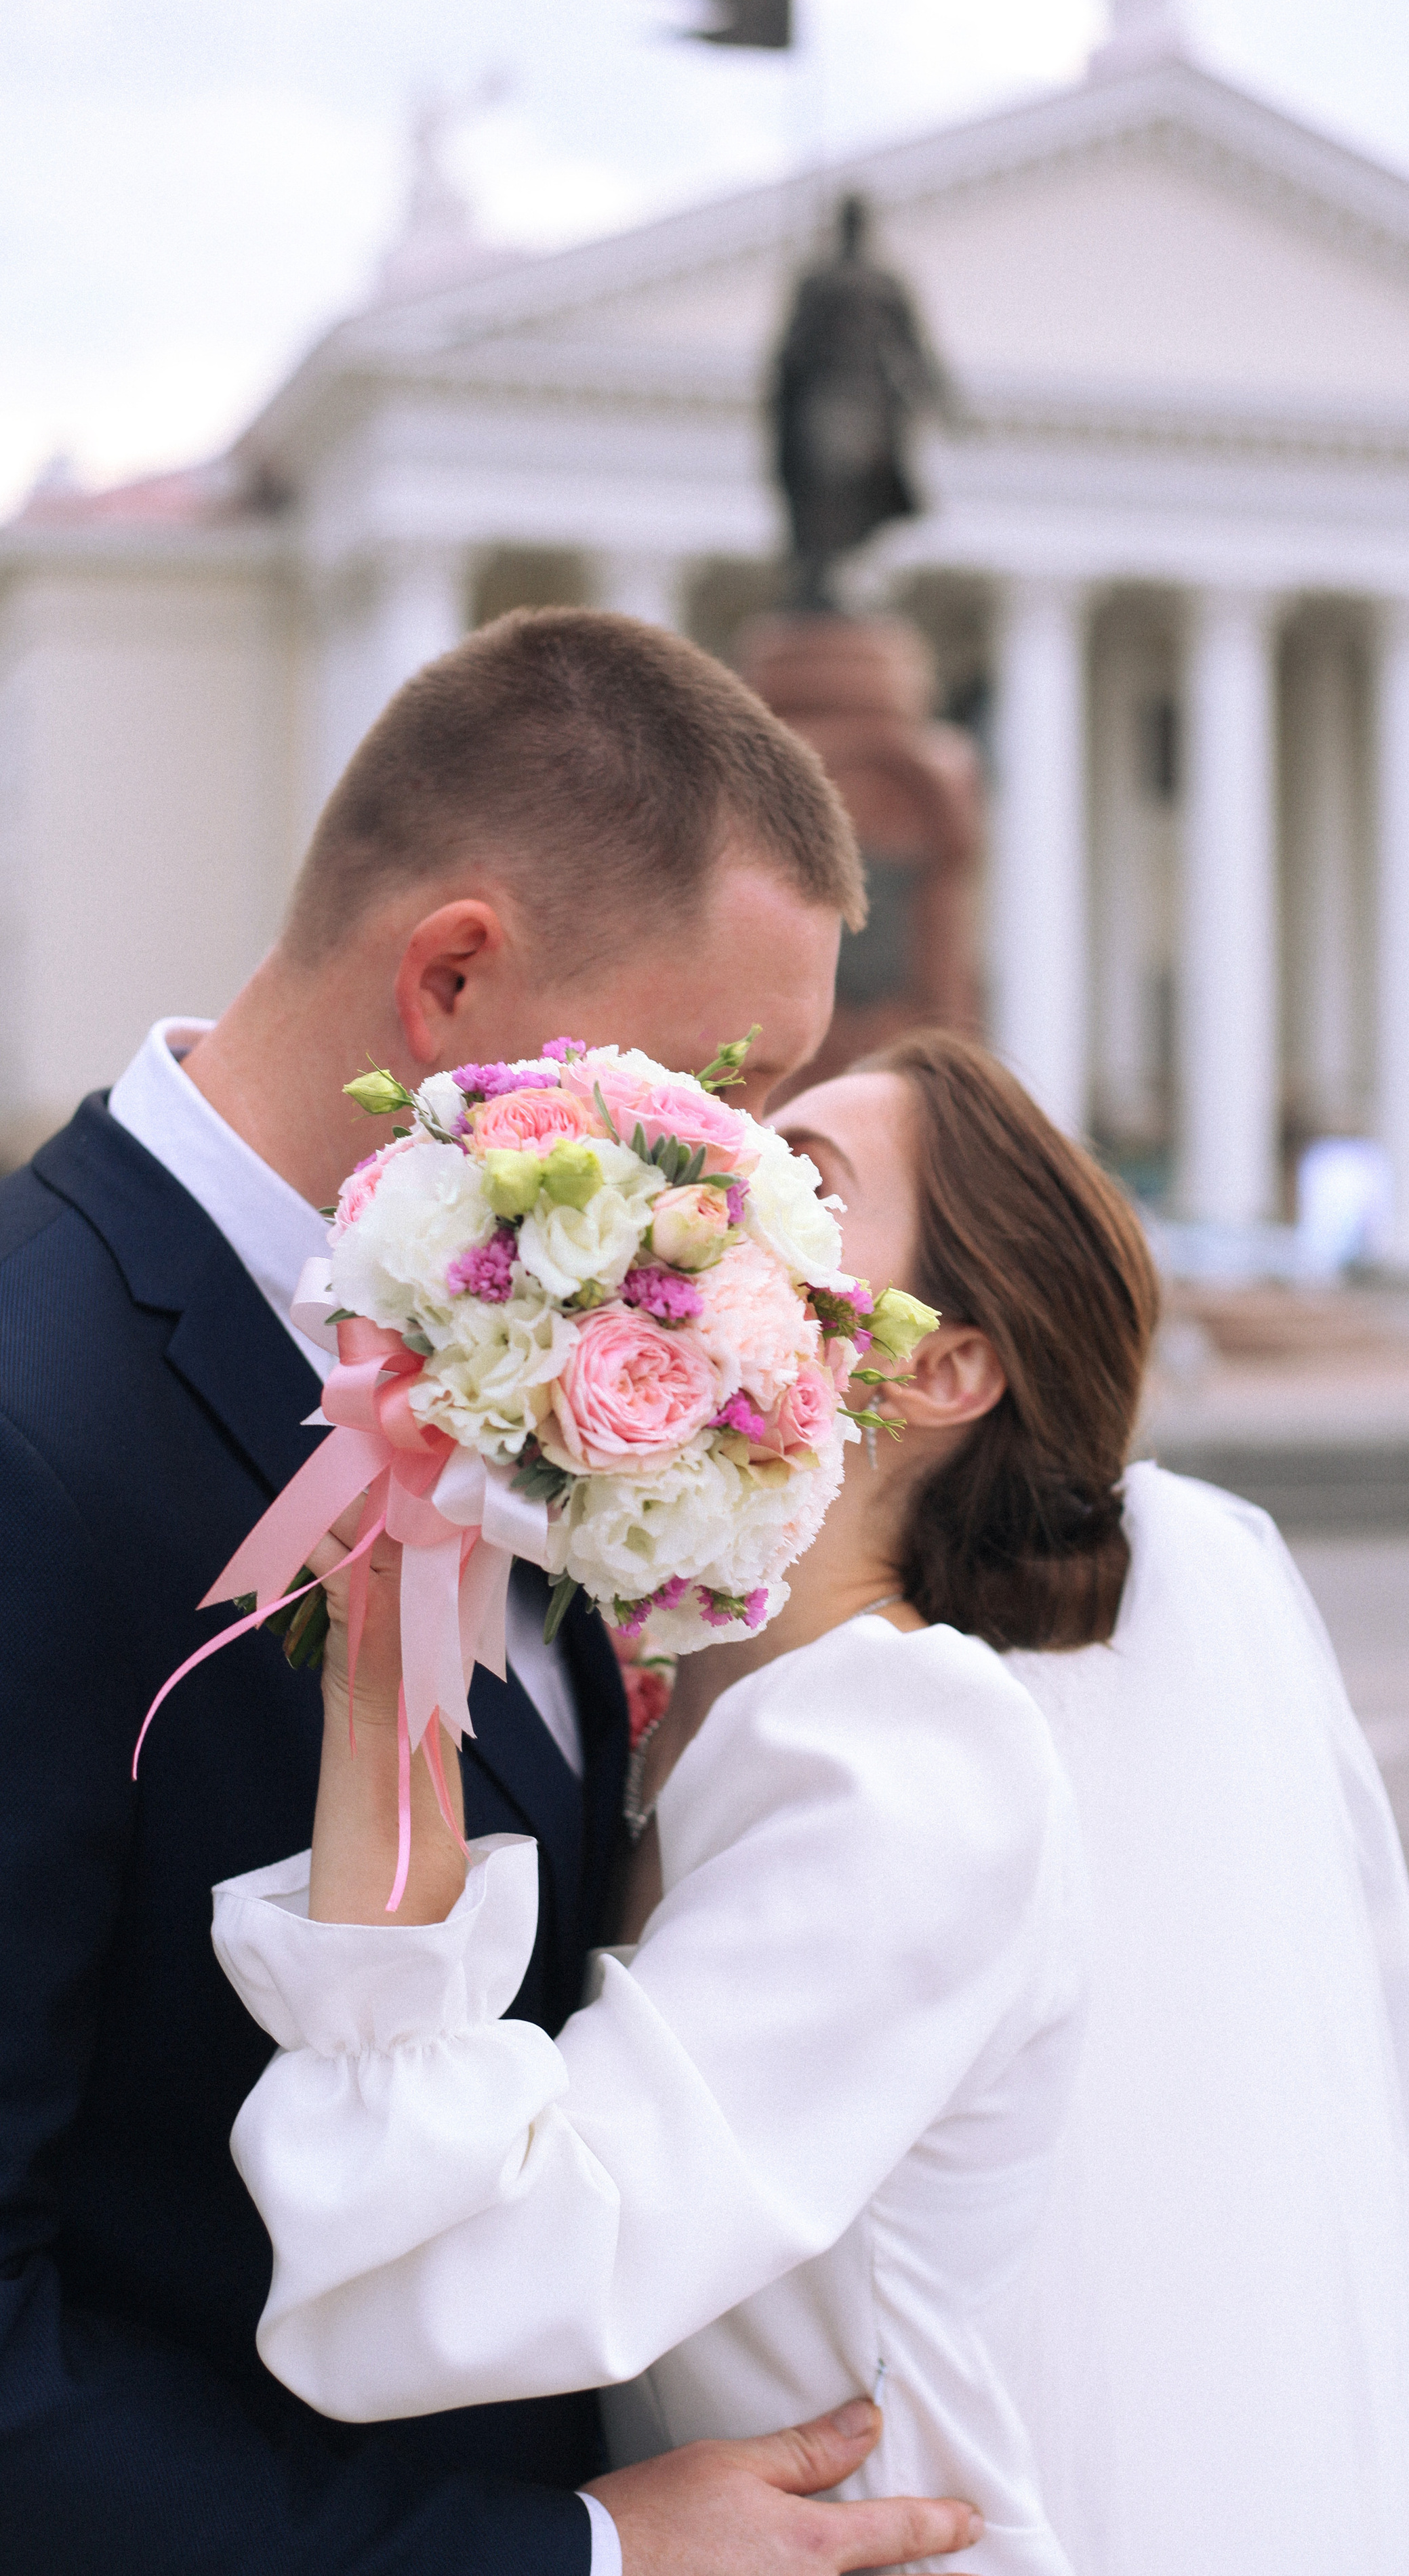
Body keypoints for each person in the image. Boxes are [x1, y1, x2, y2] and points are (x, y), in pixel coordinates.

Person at [210, 1031, 1409, 2575]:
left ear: (944, 1370)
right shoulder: (673, 1690)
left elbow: (458, 2270)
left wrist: (381, 1690)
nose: (712, 1200)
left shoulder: (906, 1761)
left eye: (805, 1187)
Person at [0, 608, 988, 2576]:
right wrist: (572, 2561)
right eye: (708, 1087)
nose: (734, 1188)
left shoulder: (528, 1346)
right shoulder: (37, 1430)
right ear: (452, 977)